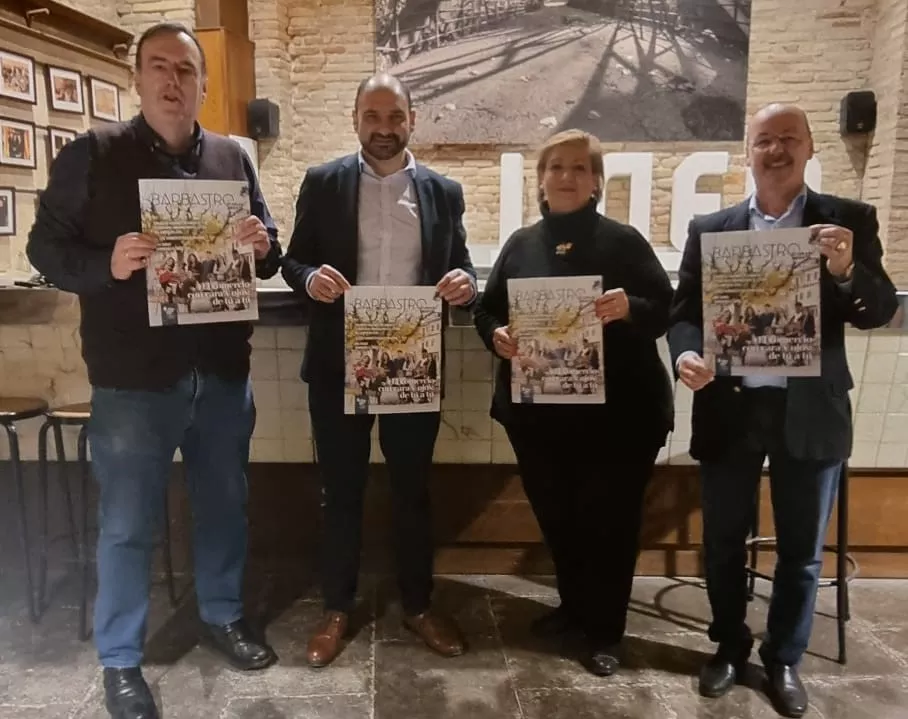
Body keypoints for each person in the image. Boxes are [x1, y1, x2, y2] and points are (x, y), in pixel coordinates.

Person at [26, 22, 282, 719]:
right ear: (137, 79)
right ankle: (120, 659)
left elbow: (268, 248)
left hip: (223, 371)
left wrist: (263, 243)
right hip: (134, 380)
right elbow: (44, 246)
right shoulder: (94, 153)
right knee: (127, 522)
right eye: (160, 67)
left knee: (225, 507)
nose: (174, 82)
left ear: (203, 83)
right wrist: (104, 264)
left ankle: (222, 614)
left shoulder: (233, 157)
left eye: (187, 70)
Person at [668, 103, 898, 718]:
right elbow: (685, 313)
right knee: (721, 543)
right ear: (748, 152)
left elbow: (876, 310)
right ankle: (727, 647)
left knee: (800, 550)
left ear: (809, 147)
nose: (775, 150)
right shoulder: (711, 227)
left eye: (788, 139)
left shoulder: (847, 221)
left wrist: (847, 268)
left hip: (811, 411)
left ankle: (784, 659)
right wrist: (687, 357)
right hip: (730, 408)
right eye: (763, 140)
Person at [281, 72, 478, 668]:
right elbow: (292, 259)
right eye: (373, 116)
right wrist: (308, 278)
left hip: (414, 362)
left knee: (412, 492)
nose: (384, 129)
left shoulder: (444, 192)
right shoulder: (323, 182)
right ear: (356, 119)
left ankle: (419, 605)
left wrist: (467, 284)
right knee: (340, 491)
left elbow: (464, 267)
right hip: (340, 361)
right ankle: (336, 608)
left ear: (412, 120)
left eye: (395, 117)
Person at [473, 129, 674, 676]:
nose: (566, 176)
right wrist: (497, 337)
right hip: (539, 418)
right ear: (540, 180)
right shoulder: (520, 245)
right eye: (556, 166)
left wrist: (628, 306)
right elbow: (486, 311)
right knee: (559, 519)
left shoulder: (624, 241)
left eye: (579, 168)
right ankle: (573, 608)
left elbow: (665, 309)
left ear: (596, 183)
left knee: (609, 525)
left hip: (620, 420)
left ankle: (606, 632)